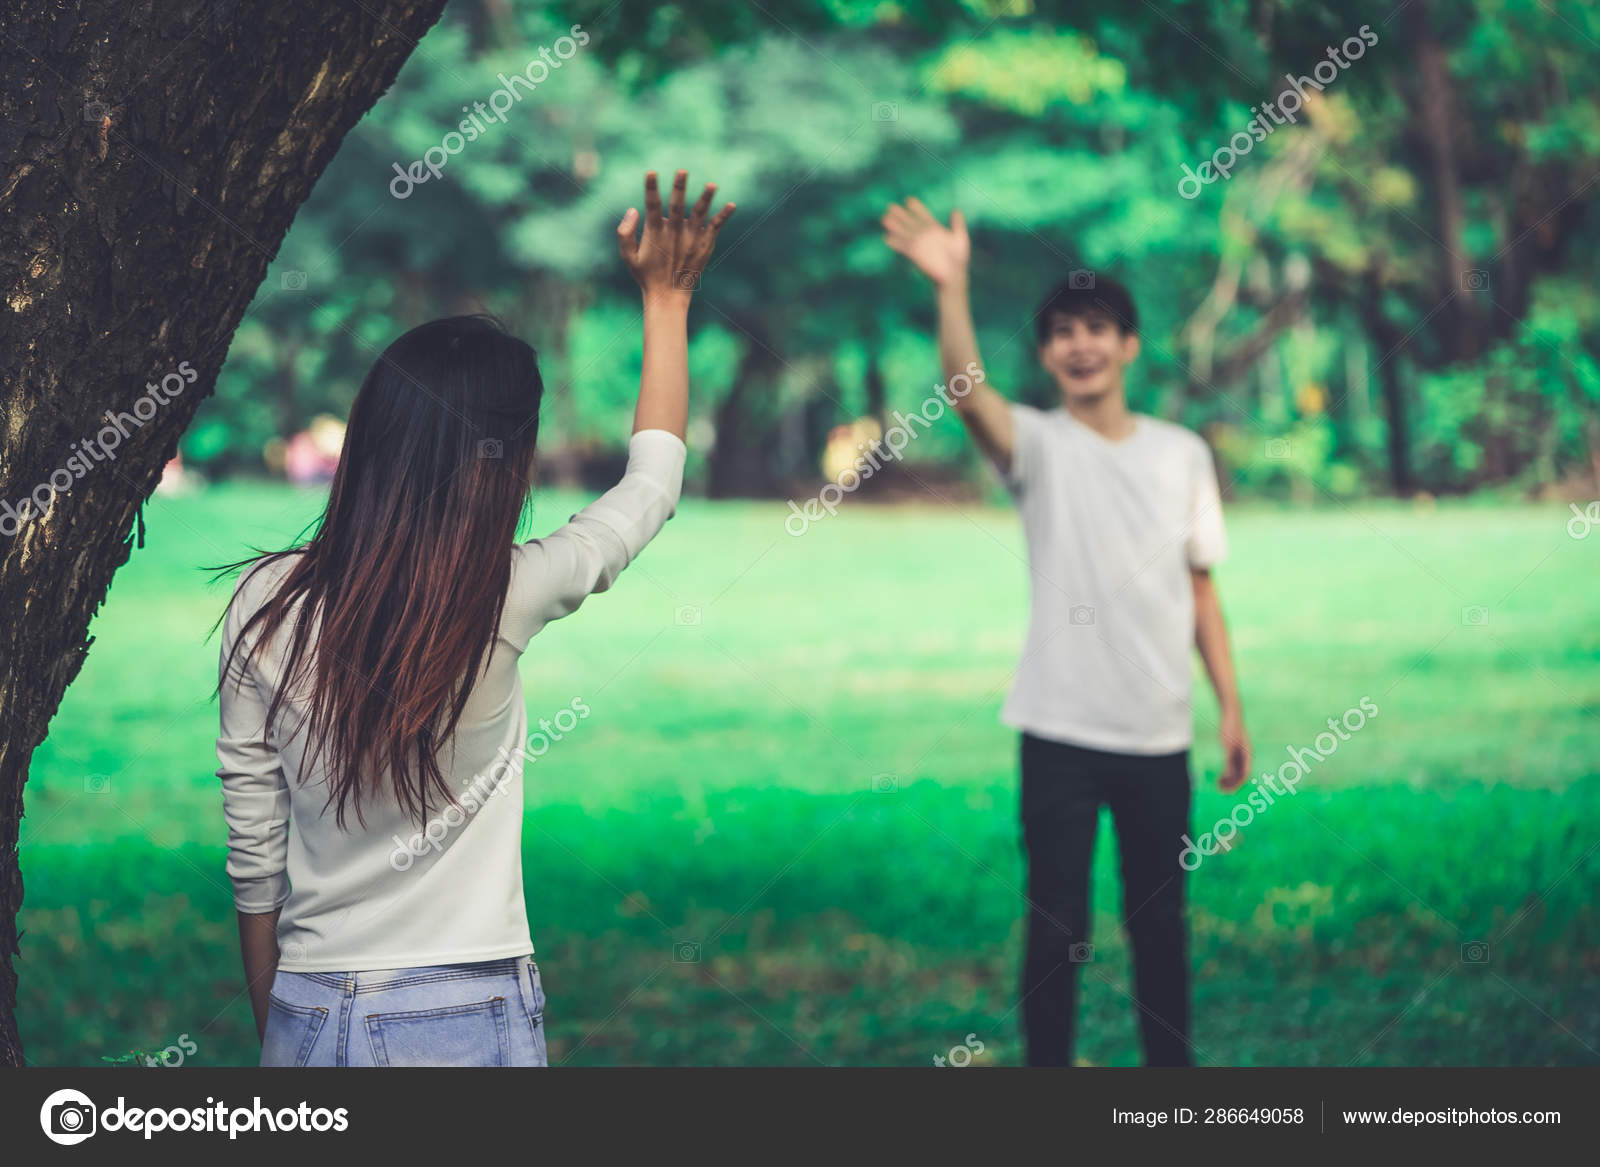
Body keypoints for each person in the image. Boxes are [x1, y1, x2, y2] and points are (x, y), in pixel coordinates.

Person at [212, 170, 734, 1067]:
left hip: (308, 1008)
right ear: (503, 462)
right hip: (464, 1011)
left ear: (373, 437)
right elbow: (651, 486)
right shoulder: (507, 592)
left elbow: (255, 861)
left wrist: (286, 1032)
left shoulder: (264, 601)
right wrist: (667, 298)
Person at [882, 197, 1250, 1067]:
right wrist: (951, 288)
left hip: (1159, 733)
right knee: (1057, 928)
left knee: (1160, 924)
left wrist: (1230, 708)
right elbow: (967, 395)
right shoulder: (1039, 448)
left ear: (1127, 344)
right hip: (1059, 732)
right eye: (1061, 332)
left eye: (1097, 327)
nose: (1080, 344)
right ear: (1046, 355)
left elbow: (1202, 592)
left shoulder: (1181, 454)